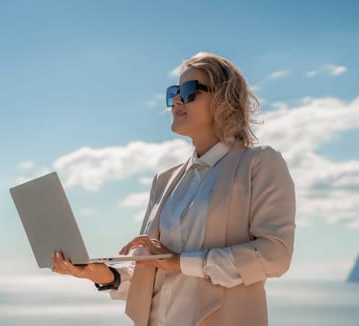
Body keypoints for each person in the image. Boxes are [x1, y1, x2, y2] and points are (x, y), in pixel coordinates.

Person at [51, 52, 296, 326]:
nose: (177, 100)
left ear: (224, 98)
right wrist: (98, 273)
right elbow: (148, 276)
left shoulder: (259, 163)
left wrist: (180, 262)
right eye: (174, 92)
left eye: (190, 91)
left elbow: (275, 256)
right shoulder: (165, 180)